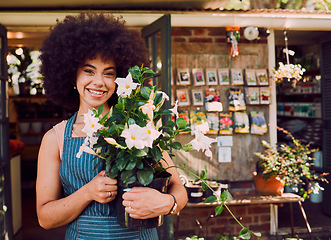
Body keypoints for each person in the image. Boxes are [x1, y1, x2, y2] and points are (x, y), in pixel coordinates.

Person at [36, 12, 188, 240]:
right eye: (89, 71)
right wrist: (87, 193)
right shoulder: (55, 138)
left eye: (109, 74)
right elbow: (45, 218)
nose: (99, 82)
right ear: (71, 76)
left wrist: (167, 202)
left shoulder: (138, 128)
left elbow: (179, 190)